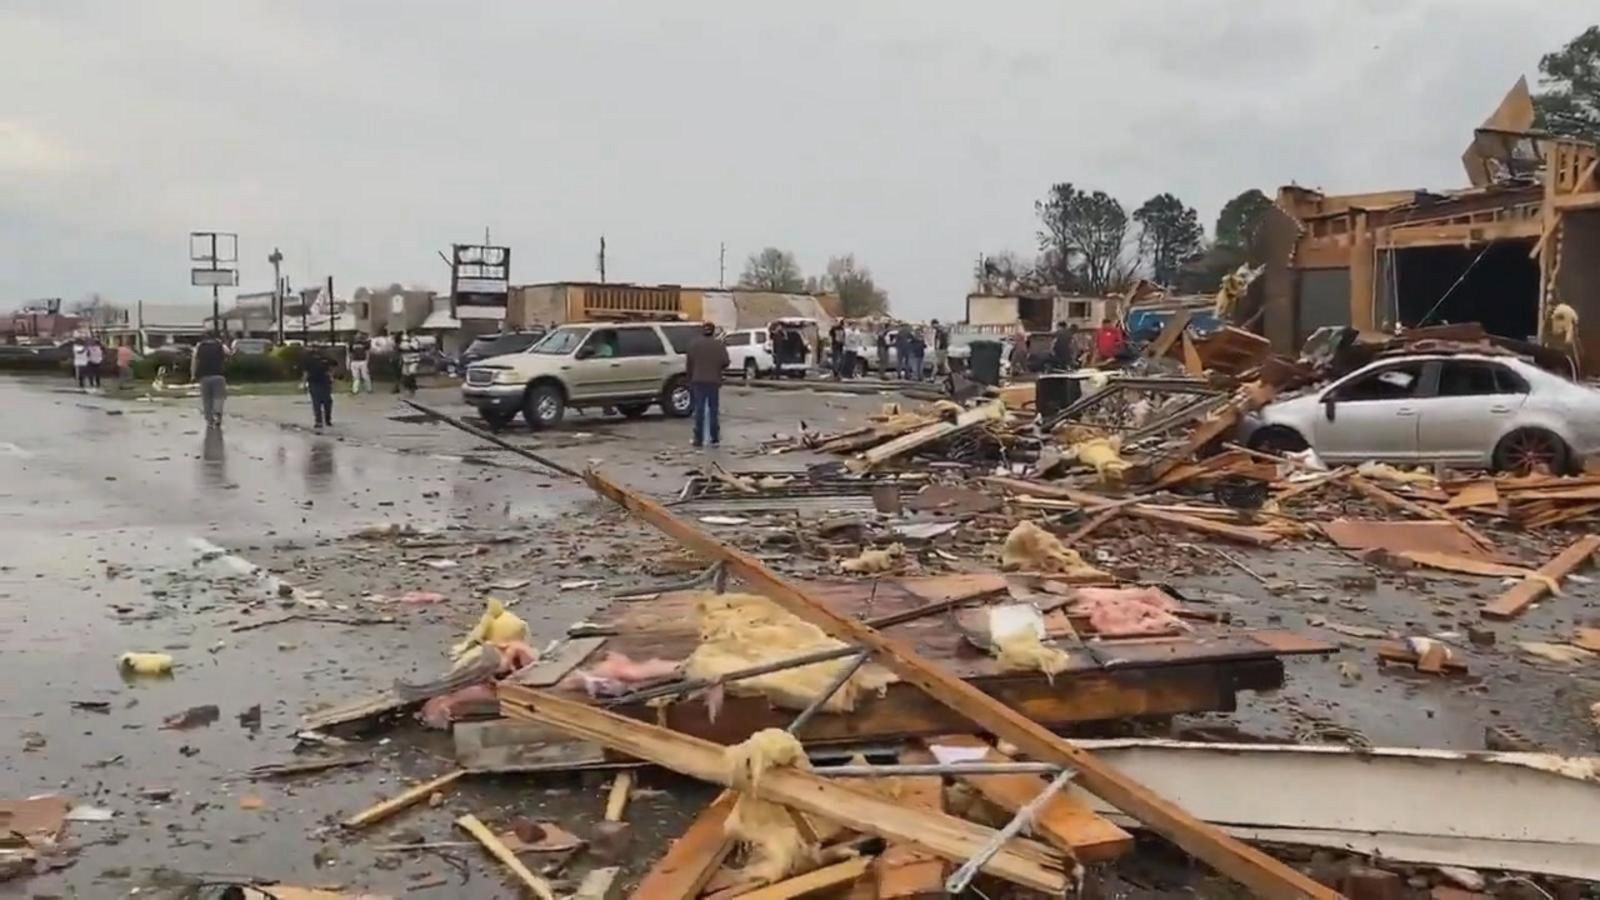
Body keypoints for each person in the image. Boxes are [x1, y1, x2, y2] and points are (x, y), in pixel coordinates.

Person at [685, 322, 729, 448]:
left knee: (699, 409)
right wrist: (717, 368)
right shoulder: (718, 345)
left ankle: (698, 439)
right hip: (713, 381)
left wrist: (690, 378)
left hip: (698, 380)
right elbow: (726, 362)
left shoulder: (694, 344)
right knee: (713, 410)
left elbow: (689, 364)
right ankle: (714, 438)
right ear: (713, 331)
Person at [191, 331, 229, 427]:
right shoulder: (220, 345)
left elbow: (194, 361)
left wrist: (193, 374)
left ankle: (209, 419)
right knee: (218, 397)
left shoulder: (199, 346)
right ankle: (217, 415)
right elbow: (229, 353)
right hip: (219, 375)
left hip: (204, 376)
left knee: (207, 399)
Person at [301, 347, 335, 429]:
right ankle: (321, 420)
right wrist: (304, 382)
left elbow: (331, 367)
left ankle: (323, 420)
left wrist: (331, 376)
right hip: (316, 382)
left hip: (322, 382)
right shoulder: (309, 360)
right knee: (321, 401)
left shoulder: (325, 359)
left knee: (322, 401)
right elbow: (306, 372)